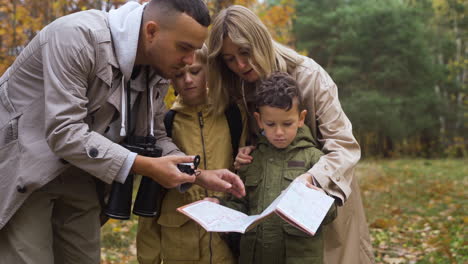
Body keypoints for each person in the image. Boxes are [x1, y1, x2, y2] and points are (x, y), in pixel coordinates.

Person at [0, 1, 245, 263]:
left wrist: (195, 174)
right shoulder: (77, 37)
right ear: (151, 32)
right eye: (184, 48)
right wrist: (146, 166)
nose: (188, 60)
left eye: (195, 50)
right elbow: (65, 131)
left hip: (82, 172)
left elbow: (154, 135)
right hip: (24, 168)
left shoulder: (158, 67)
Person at [207, 5, 374, 264]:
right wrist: (247, 152)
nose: (239, 64)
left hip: (322, 201)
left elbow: (344, 145)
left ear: (260, 41)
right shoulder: (233, 84)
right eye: (229, 58)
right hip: (266, 222)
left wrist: (312, 177)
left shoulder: (309, 76)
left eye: (245, 52)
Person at [207, 71, 337, 264]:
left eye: (287, 124)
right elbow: (241, 204)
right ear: (259, 120)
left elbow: (331, 214)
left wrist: (317, 201)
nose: (278, 132)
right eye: (270, 124)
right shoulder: (252, 158)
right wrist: (220, 206)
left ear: (301, 118)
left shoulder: (315, 160)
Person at [136, 45, 246, 264]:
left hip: (225, 243)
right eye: (179, 74)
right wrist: (148, 258)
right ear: (171, 80)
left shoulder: (233, 116)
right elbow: (150, 199)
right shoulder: (164, 126)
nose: (187, 79)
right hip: (178, 246)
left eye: (195, 71)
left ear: (209, 71)